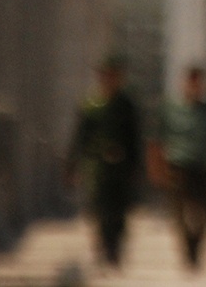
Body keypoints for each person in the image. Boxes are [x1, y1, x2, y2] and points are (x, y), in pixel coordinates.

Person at [66, 54, 143, 271]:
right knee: (99, 208)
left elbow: (134, 137)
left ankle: (114, 248)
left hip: (121, 167)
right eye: (106, 75)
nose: (110, 79)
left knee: (119, 210)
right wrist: (72, 165)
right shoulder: (90, 105)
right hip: (97, 167)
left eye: (114, 75)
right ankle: (103, 244)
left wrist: (137, 167)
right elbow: (80, 137)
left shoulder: (126, 105)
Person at [149, 65, 206, 270]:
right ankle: (187, 248)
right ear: (184, 84)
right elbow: (157, 142)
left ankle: (196, 243)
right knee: (179, 215)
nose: (195, 87)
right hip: (178, 168)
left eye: (199, 83)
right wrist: (157, 170)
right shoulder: (170, 110)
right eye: (192, 82)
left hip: (202, 168)